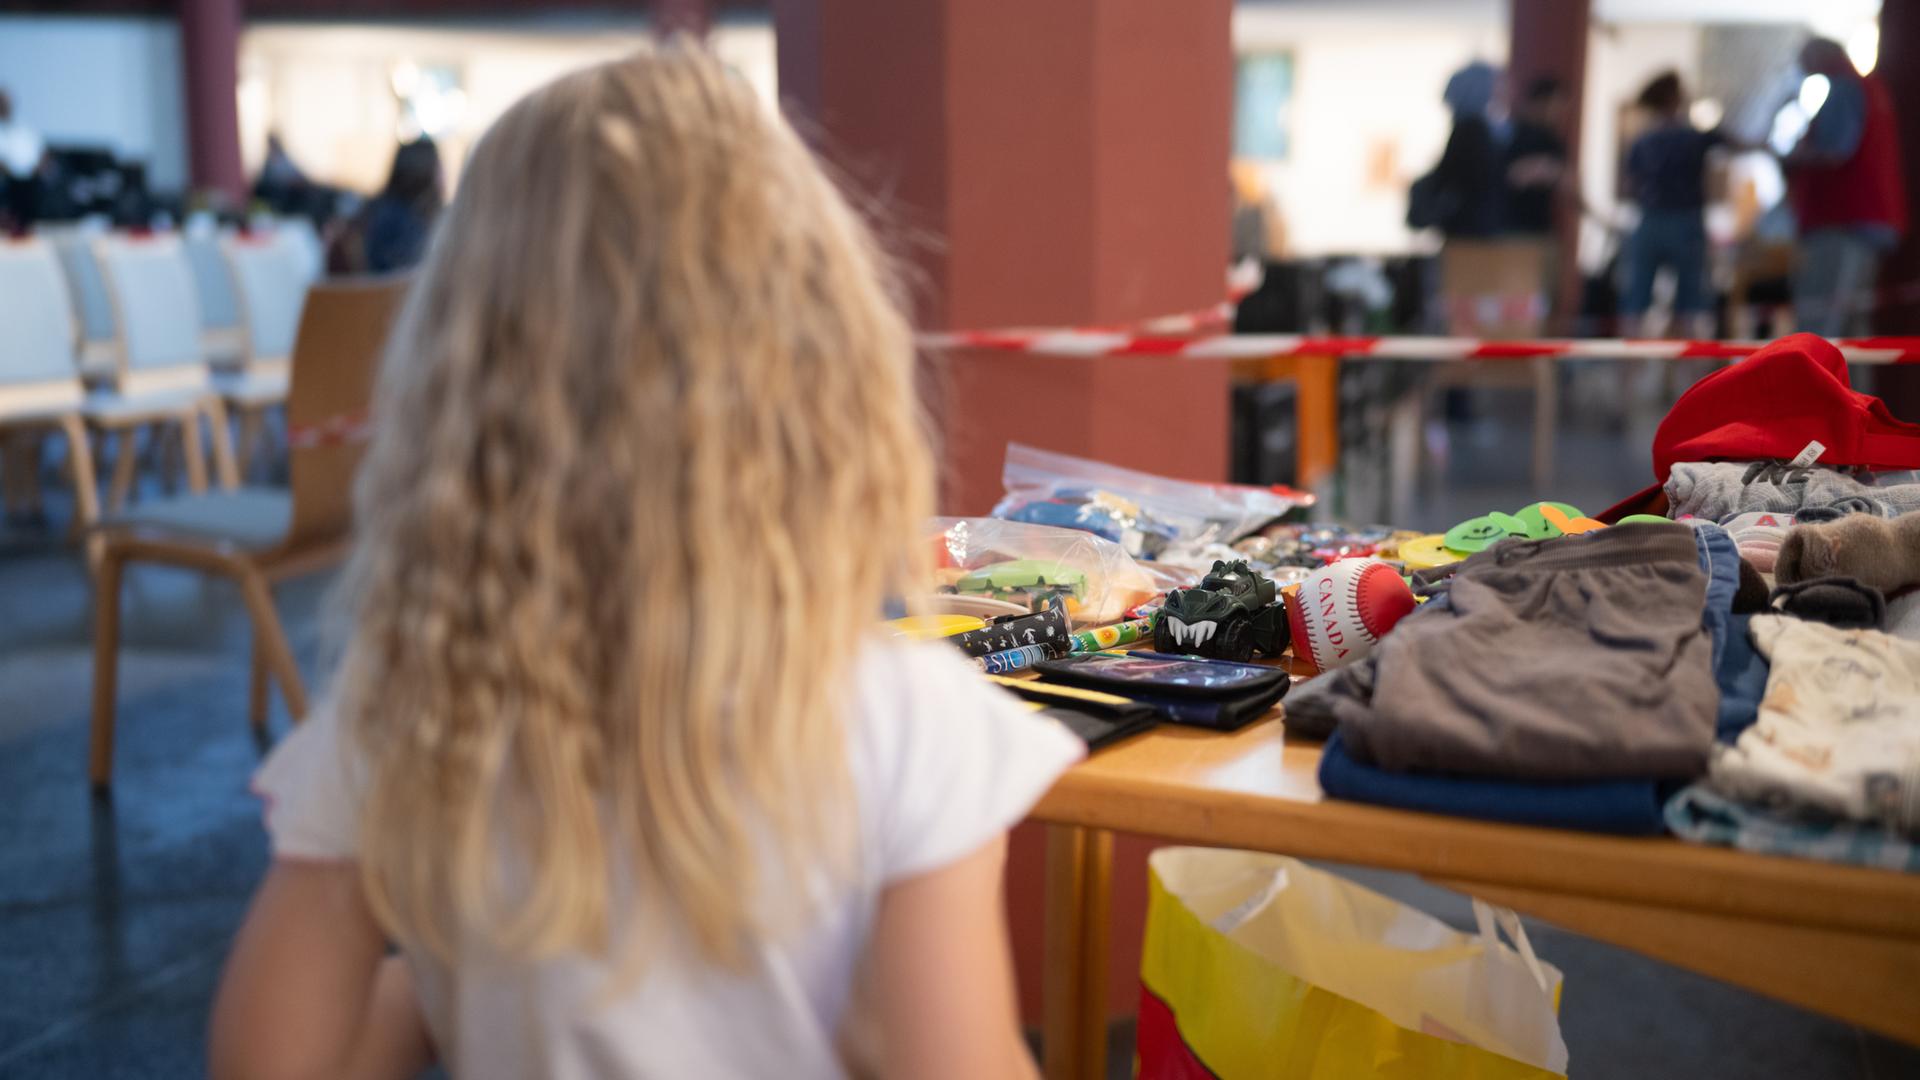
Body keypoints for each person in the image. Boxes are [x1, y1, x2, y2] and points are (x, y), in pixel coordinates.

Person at [208, 47, 1078, 1080]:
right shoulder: (907, 721)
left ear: (460, 393)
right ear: (821, 382)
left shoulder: (412, 712)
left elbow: (269, 1063)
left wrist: (453, 987)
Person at [1786, 37, 1907, 337]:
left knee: (1820, 325)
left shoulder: (1844, 89)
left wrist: (1793, 156)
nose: (1802, 67)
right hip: (1869, 220)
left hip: (1841, 220)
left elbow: (1834, 152)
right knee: (1852, 327)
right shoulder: (1872, 88)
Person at [1620, 71, 1724, 337]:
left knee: (1636, 299)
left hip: (1649, 219)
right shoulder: (1692, 138)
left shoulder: (1642, 140)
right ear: (1674, 98)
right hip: (1685, 221)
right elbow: (1734, 142)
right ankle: (1685, 361)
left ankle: (1628, 361)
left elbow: (1628, 186)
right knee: (1689, 301)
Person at [1411, 60, 1506, 240]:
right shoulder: (1472, 129)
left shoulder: (1470, 127)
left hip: (1468, 233)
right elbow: (1470, 181)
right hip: (1472, 236)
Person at [362, 136, 443, 273]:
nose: (443, 175)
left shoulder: (383, 210)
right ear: (424, 172)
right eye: (439, 168)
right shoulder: (403, 221)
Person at [0, 88, 46, 228]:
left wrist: (36, 168)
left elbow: (39, 153)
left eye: (7, 103)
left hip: (28, 181)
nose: (5, 106)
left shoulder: (23, 129)